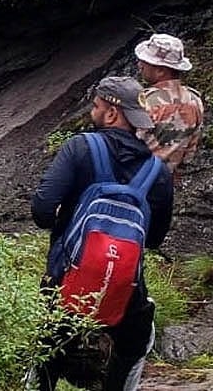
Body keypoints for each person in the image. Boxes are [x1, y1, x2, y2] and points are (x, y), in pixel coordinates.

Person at [29, 76, 174, 391]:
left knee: (43, 347)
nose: (92, 111)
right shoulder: (158, 170)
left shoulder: (79, 148)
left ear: (111, 113)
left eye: (96, 105)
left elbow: (41, 210)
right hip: (125, 290)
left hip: (64, 284)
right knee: (137, 342)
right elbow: (155, 238)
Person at [135, 33, 205, 175]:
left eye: (145, 62)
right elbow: (191, 149)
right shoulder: (195, 99)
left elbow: (131, 144)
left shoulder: (146, 102)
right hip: (168, 180)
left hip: (140, 177)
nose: (139, 65)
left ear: (160, 70)